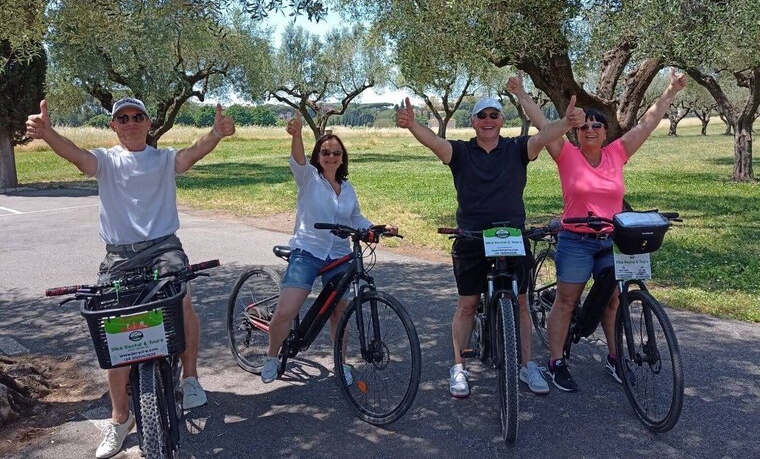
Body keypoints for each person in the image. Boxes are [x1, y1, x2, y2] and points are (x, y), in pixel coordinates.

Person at [26, 97, 235, 459]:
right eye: (123, 118)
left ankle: (189, 377)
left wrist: (216, 133)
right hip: (119, 255)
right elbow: (76, 155)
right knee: (114, 331)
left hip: (163, 247)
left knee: (181, 299)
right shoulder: (106, 161)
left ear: (149, 123)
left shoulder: (163, 158)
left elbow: (192, 154)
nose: (131, 122)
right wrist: (48, 134)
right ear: (114, 126)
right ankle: (120, 418)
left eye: (137, 116)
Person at [506, 68, 687, 392]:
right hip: (576, 240)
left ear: (606, 132)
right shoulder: (566, 154)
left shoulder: (617, 153)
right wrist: (521, 94)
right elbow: (543, 125)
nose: (590, 129)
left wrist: (670, 91)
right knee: (566, 301)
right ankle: (557, 361)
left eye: (596, 125)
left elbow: (647, 123)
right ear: (577, 132)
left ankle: (616, 358)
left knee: (614, 300)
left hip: (611, 241)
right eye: (585, 125)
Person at [395, 94, 585, 398]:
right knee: (467, 305)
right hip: (472, 236)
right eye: (481, 116)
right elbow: (434, 141)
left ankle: (526, 364)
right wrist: (413, 125)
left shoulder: (516, 148)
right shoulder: (460, 152)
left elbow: (543, 137)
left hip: (511, 236)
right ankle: (459, 367)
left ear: (502, 120)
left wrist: (565, 122)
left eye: (493, 115)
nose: (487, 121)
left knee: (521, 303)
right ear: (473, 122)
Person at [260, 111, 397, 385]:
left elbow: (356, 218)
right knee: (286, 311)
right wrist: (297, 135)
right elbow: (298, 161)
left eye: (336, 152)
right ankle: (272, 356)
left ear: (343, 156)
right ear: (318, 156)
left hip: (338, 255)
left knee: (339, 313)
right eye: (325, 152)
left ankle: (340, 363)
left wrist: (376, 229)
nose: (331, 157)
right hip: (308, 252)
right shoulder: (309, 178)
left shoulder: (347, 188)